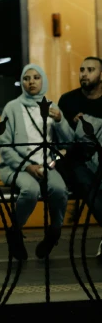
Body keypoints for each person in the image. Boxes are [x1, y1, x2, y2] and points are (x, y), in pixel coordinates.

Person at [0, 64, 73, 260]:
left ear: (43, 81)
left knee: (59, 190)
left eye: (36, 77)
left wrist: (60, 120)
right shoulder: (12, 108)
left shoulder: (53, 107)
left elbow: (68, 141)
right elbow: (5, 147)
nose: (31, 82)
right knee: (30, 191)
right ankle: (15, 232)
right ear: (22, 82)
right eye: (26, 78)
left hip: (46, 165)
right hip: (18, 167)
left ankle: (54, 232)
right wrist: (27, 167)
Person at [57, 56, 102, 228]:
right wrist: (73, 126)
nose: (84, 74)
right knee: (86, 182)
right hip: (77, 160)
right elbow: (61, 141)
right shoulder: (68, 101)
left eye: (90, 70)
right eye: (82, 70)